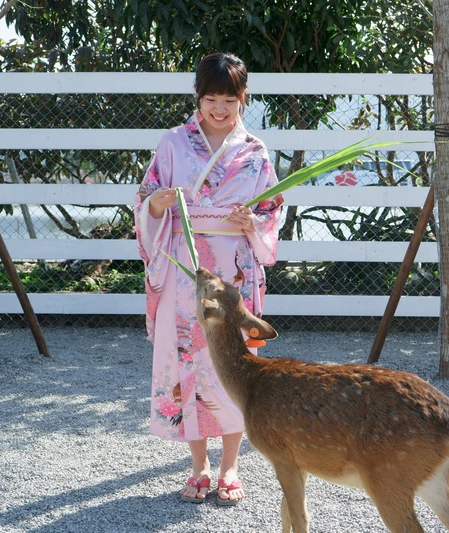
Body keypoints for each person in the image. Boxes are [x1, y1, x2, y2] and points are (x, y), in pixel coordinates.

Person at [133, 52, 283, 506]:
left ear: (243, 100)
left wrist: (251, 223)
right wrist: (157, 204)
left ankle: (230, 465)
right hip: (185, 269)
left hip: (234, 269)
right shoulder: (174, 143)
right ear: (197, 98)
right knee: (188, 366)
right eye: (210, 98)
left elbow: (271, 210)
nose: (219, 109)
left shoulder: (254, 152)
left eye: (229, 101)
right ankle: (198, 466)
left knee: (234, 367)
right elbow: (146, 197)